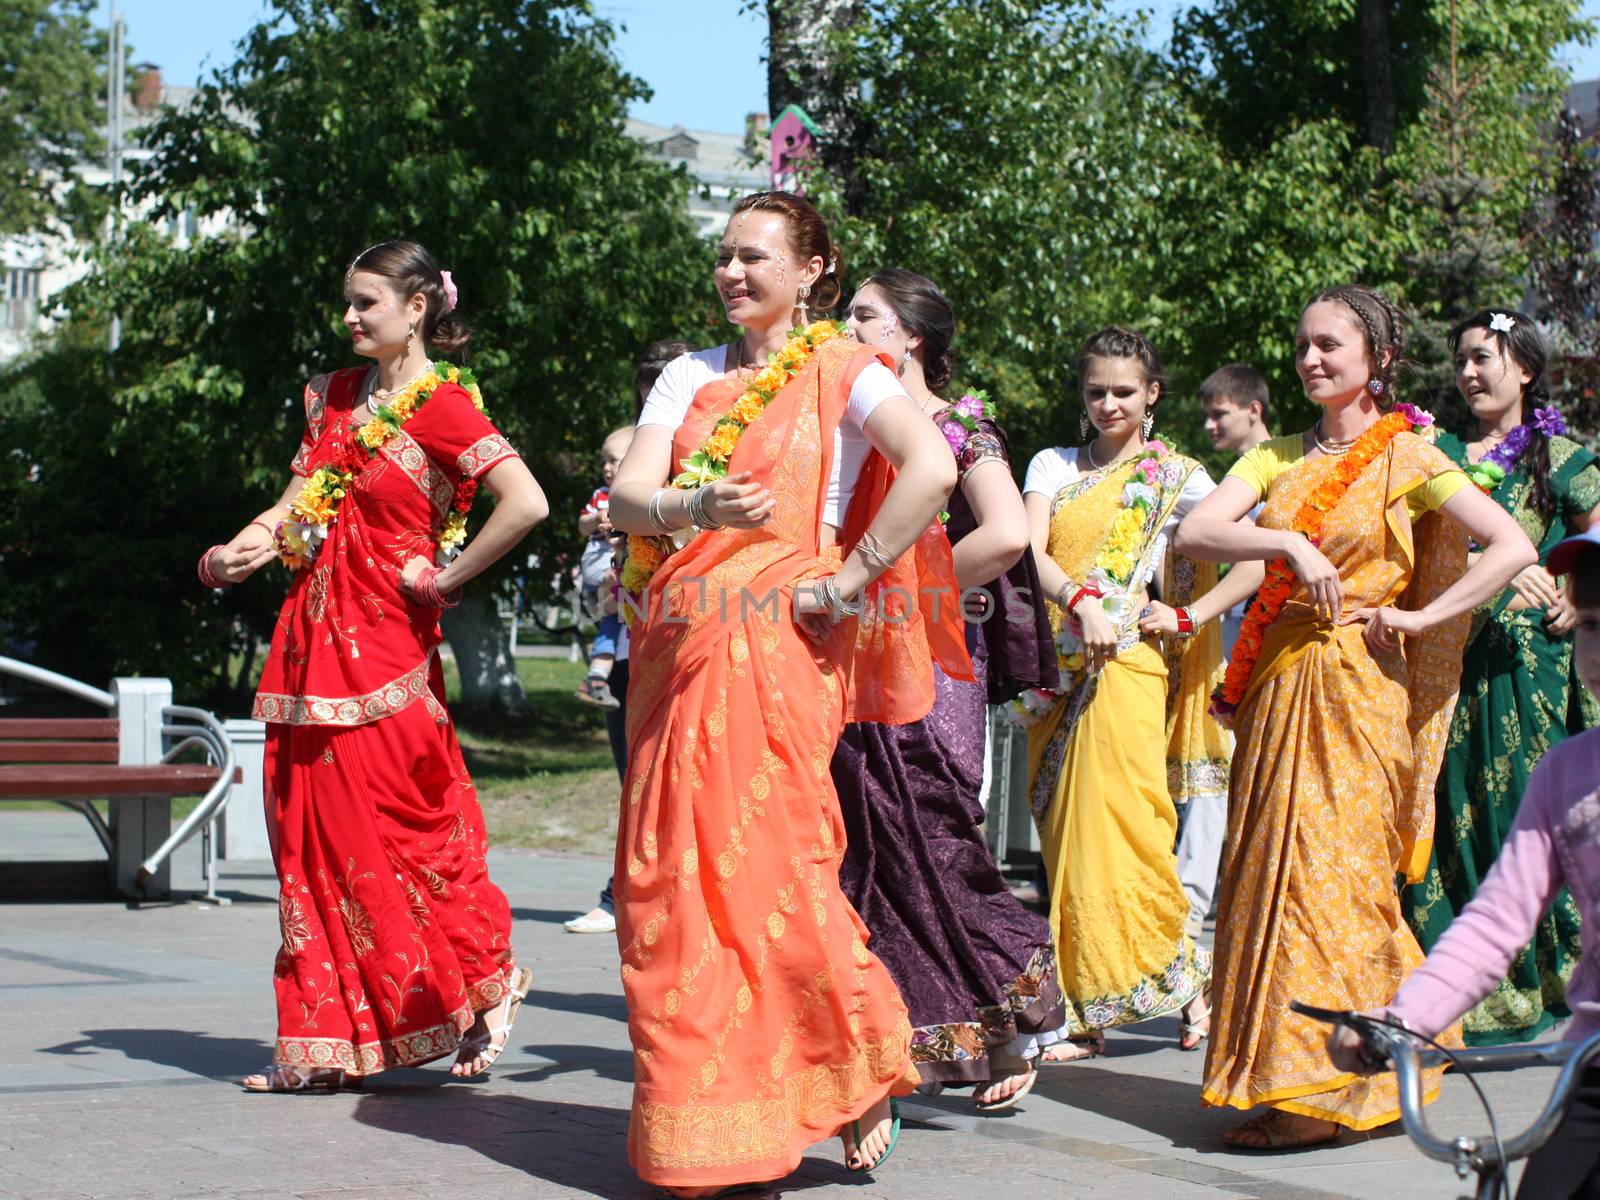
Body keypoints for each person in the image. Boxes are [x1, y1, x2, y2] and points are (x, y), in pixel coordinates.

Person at [607, 191, 963, 1195]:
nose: (730, 272)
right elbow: (631, 496)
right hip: (676, 647)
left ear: (812, 270)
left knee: (769, 873)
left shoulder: (844, 371)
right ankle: (704, 1125)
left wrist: (848, 582)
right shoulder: (687, 374)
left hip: (775, 653)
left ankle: (848, 1061)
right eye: (722, 255)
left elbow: (929, 467)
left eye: (753, 257)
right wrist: (693, 503)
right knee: (666, 888)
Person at [1174, 283, 1538, 1149]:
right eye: (1302, 345)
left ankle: (1325, 1092)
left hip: (1360, 690)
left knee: (1338, 881)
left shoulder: (1407, 455)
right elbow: (1197, 534)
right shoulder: (1276, 458)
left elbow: (1513, 546)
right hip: (1279, 687)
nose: (1310, 360)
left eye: (1329, 346)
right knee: (1269, 875)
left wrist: (1419, 618)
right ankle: (1289, 1074)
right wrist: (1286, 543)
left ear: (1375, 359)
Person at [197, 240, 549, 1091]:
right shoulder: (331, 398)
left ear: (418, 306)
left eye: (367, 303)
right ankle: (324, 1043)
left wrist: (446, 576)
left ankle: (486, 981)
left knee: (404, 830)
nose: (351, 318)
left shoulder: (446, 408)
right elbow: (293, 506)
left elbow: (528, 502)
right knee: (310, 842)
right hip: (310, 640)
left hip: (389, 647)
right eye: (347, 304)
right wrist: (237, 551)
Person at [833, 268, 1063, 1112]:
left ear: (912, 336)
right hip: (852, 660)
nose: (845, 328)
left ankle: (1020, 1009)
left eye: (864, 316)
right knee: (870, 850)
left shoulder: (957, 426)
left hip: (931, 658)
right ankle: (909, 1042)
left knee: (936, 837)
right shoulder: (847, 430)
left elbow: (1005, 536)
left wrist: (900, 591)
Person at [1329, 530, 1600, 1200]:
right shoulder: (1568, 772)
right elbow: (1494, 924)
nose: (1598, 648)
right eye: (1592, 624)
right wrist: (1401, 1022)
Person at [1020, 327, 1263, 1065]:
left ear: (1152, 394)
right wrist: (1077, 599)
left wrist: (1188, 615)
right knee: (1063, 841)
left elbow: (1257, 556)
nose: (1108, 404)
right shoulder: (1052, 465)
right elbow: (1027, 551)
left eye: (1124, 391)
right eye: (1096, 391)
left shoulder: (1179, 478)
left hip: (1129, 669)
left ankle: (1173, 982)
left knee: (1129, 836)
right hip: (1055, 670)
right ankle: (1097, 1005)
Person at [1403, 310, 1600, 1045]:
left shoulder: (1567, 457)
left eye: (1484, 358)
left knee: (1523, 811)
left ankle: (1546, 979)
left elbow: (1596, 546)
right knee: (1455, 815)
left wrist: (1576, 600)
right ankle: (1461, 984)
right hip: (1452, 660)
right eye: (1460, 360)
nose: (1469, 373)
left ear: (1523, 369)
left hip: (1535, 670)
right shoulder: (1434, 453)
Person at [564, 339, 695, 936]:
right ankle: (627, 897)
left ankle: (680, 902)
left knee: (694, 782)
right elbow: (598, 566)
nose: (653, 402)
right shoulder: (635, 462)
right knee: (636, 778)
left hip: (696, 632)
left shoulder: (708, 449)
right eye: (645, 391)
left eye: (660, 388)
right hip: (632, 641)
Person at [1178, 363, 1274, 941]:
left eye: (1221, 413)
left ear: (1253, 410)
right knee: (1211, 779)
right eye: (1207, 414)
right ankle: (1188, 917)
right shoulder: (1227, 485)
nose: (1210, 423)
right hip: (1228, 649)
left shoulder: (1285, 474)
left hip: (1276, 651)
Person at [574, 426, 633, 709]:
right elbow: (582, 526)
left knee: (613, 623)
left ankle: (597, 676)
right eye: (604, 461)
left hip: (615, 565)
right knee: (615, 605)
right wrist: (597, 518)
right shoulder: (602, 495)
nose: (607, 468)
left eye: (614, 460)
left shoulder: (634, 494)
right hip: (599, 561)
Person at [1201, 363, 1274, 458]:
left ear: (1253, 411)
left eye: (1218, 414)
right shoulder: (1240, 471)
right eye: (1207, 415)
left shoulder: (1291, 466)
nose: (1208, 425)